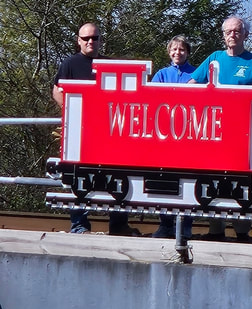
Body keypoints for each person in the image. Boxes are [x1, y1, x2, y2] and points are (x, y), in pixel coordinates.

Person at [189, 15, 252, 242]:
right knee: (214, 181)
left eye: (237, 31)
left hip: (243, 136)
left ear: (245, 35)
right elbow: (192, 86)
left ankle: (242, 232)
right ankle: (216, 230)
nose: (232, 35)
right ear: (223, 36)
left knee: (241, 185)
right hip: (214, 134)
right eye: (228, 32)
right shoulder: (214, 59)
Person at [52, 23, 138, 236]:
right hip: (79, 133)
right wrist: (73, 112)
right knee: (78, 176)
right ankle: (79, 225)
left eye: (95, 38)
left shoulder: (108, 65)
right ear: (78, 40)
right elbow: (57, 91)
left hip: (108, 134)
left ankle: (118, 225)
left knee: (117, 176)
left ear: (100, 40)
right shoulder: (69, 64)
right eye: (86, 38)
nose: (91, 41)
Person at [150, 35, 197, 240]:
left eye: (181, 49)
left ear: (187, 51)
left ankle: (186, 226)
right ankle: (165, 224)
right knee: (164, 181)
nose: (177, 53)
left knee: (189, 182)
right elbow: (151, 99)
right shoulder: (161, 74)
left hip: (190, 136)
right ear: (169, 52)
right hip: (165, 137)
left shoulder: (196, 73)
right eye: (174, 50)